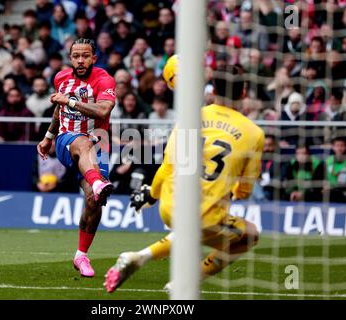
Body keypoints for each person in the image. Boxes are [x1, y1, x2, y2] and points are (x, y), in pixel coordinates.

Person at [104, 57, 263, 293]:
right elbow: (245, 190)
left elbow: (167, 167)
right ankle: (187, 280)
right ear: (243, 93)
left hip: (169, 205)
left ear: (214, 89)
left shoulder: (190, 119)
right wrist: (235, 191)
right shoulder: (253, 133)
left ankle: (140, 256)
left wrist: (152, 194)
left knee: (192, 228)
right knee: (249, 234)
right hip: (207, 212)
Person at [37, 38, 116, 278]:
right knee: (82, 142)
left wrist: (70, 100)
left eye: (85, 56)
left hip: (98, 142)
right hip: (66, 139)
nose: (80, 61)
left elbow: (103, 110)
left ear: (94, 58)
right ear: (70, 58)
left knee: (94, 200)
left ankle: (81, 254)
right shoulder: (61, 78)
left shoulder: (104, 80)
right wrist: (49, 136)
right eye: (75, 56)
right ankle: (98, 180)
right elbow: (59, 110)